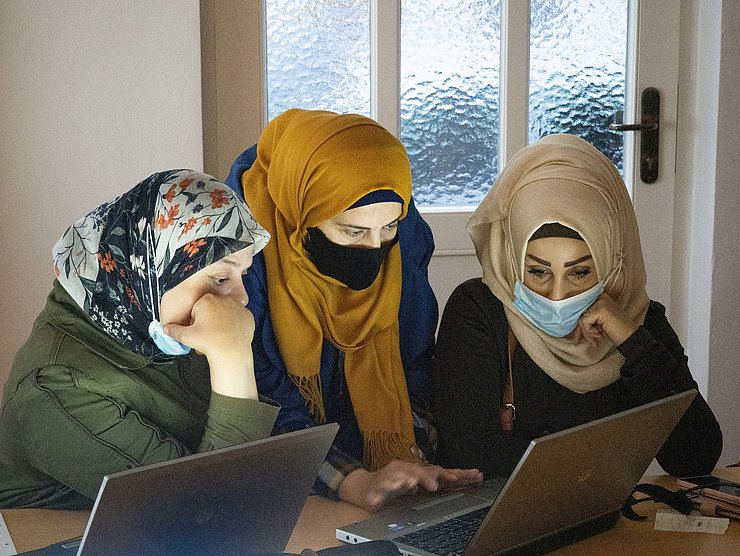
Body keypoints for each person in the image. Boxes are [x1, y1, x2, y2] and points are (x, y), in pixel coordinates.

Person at [225, 108, 482, 511]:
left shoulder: (407, 240)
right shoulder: (239, 260)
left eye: (388, 229)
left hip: (376, 485)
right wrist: (354, 480)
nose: (374, 250)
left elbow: (411, 367)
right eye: (352, 231)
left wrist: (410, 461)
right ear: (302, 216)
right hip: (286, 481)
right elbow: (260, 407)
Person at [432, 134, 722, 480]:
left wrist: (632, 339)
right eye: (538, 272)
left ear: (612, 261)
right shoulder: (478, 312)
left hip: (602, 523)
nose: (557, 295)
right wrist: (602, 467)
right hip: (496, 526)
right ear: (512, 260)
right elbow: (470, 455)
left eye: (580, 272)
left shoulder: (637, 320)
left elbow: (696, 457)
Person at [0, 169, 278, 509]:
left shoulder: (155, 332)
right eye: (220, 277)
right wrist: (233, 360)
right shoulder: (56, 389)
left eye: (242, 275)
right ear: (146, 273)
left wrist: (340, 479)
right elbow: (207, 514)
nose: (242, 298)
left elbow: (268, 450)